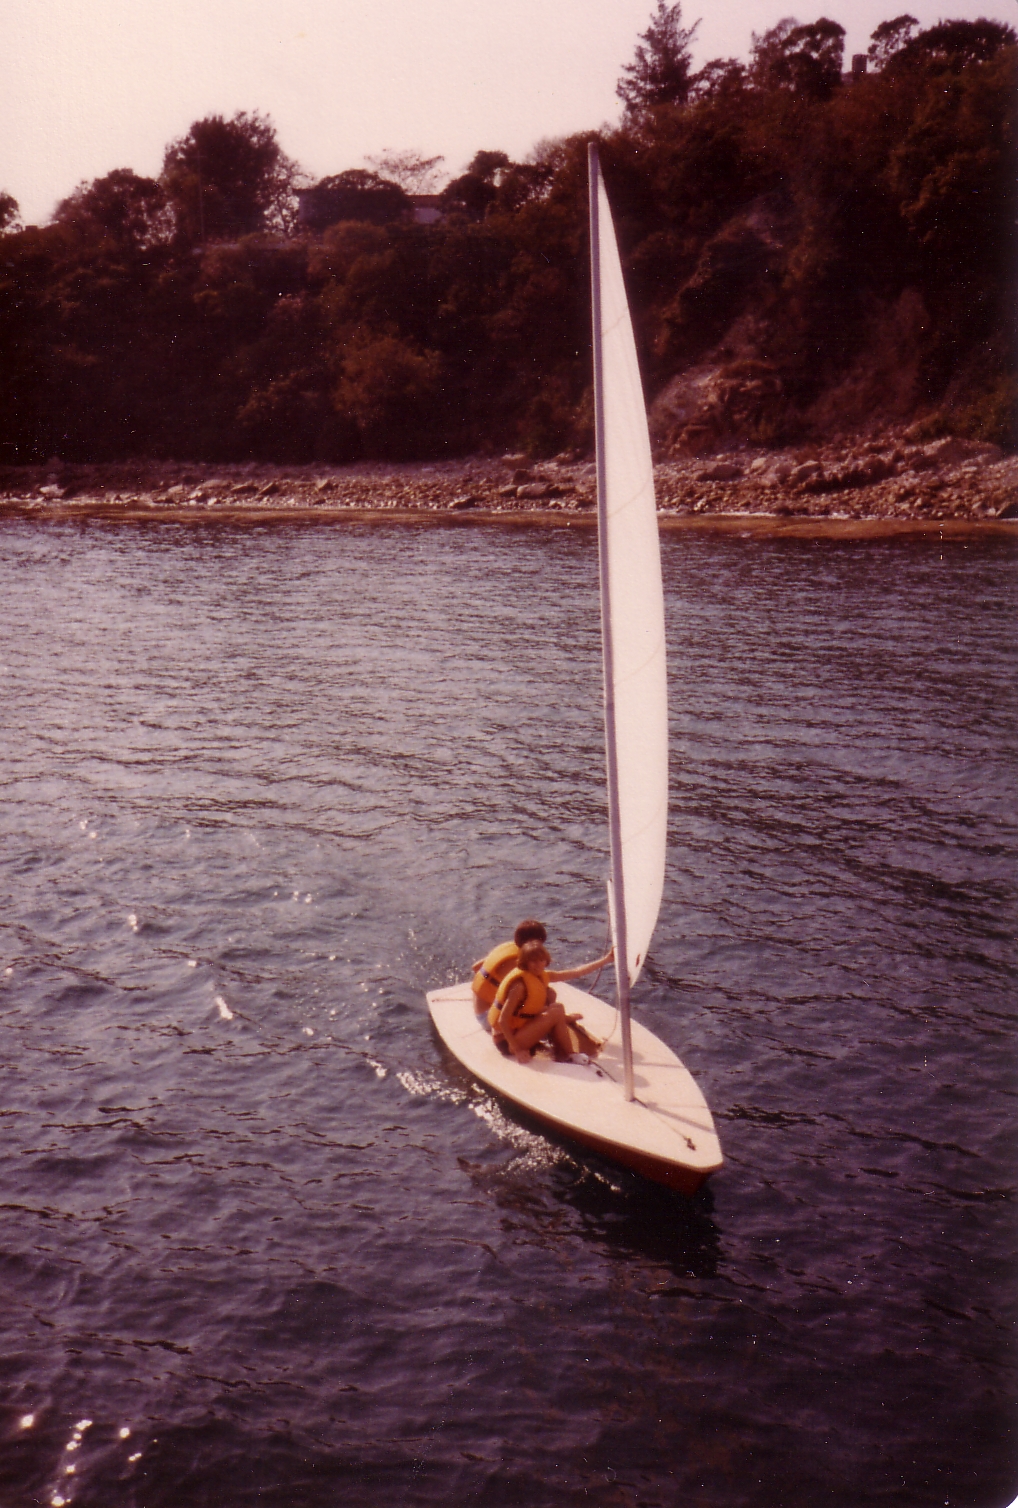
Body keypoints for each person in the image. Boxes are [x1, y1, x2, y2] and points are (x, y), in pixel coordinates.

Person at [488, 938, 613, 1065]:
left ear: (546, 961)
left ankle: (563, 1051)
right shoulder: (519, 987)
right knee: (555, 1013)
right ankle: (571, 1055)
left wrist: (607, 959)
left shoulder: (542, 975)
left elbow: (576, 972)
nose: (538, 965)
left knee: (557, 1007)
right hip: (506, 1041)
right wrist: (517, 1050)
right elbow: (502, 1020)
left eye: (541, 960)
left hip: (519, 1030)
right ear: (525, 962)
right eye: (533, 961)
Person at [471, 919, 548, 1022]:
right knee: (548, 1008)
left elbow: (475, 967)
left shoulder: (508, 947)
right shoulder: (519, 962)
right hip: (489, 1017)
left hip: (479, 1009)